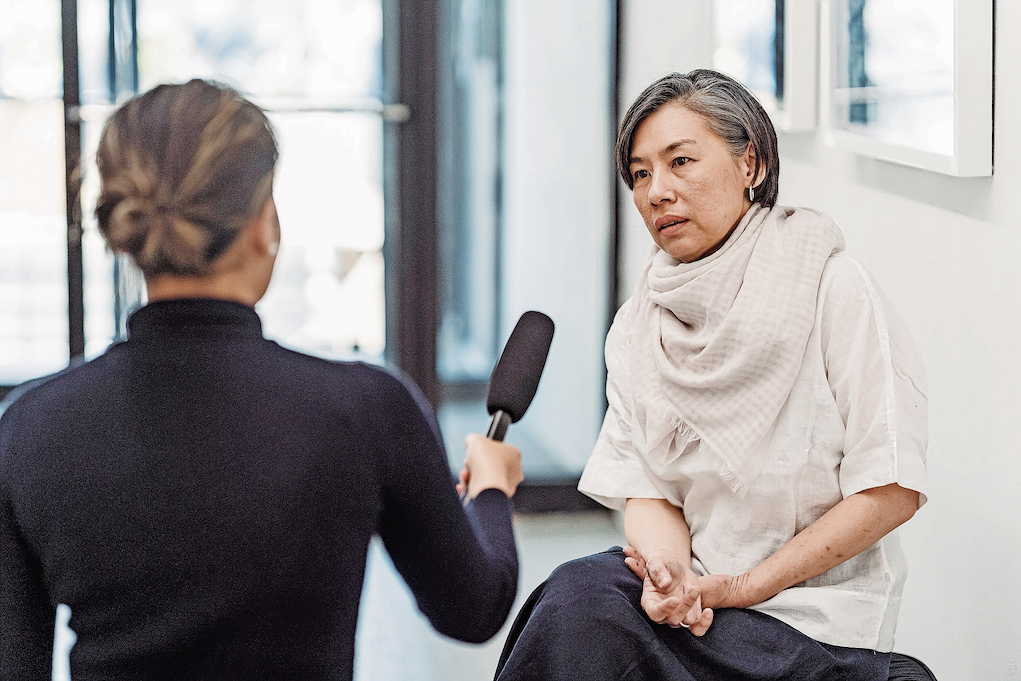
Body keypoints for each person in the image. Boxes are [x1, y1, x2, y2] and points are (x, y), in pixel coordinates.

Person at [0, 79, 524, 680]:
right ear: (262, 223)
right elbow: (474, 609)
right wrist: (490, 491)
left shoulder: (29, 427)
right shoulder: (365, 408)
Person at [494, 70, 927, 681]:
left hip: (813, 623)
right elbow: (646, 486)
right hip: (698, 604)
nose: (657, 192)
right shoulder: (638, 325)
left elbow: (891, 489)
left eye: (681, 162)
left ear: (750, 164)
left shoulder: (835, 290)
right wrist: (670, 574)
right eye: (641, 174)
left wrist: (746, 586)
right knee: (574, 601)